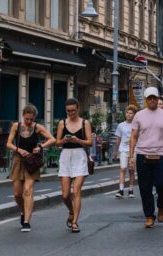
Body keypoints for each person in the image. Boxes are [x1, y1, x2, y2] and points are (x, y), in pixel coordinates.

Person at [129, 87, 163, 229]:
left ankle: (161, 206)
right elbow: (133, 136)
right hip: (142, 154)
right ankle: (149, 216)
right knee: (145, 187)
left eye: (154, 98)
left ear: (158, 99)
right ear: (146, 100)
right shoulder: (138, 115)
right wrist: (131, 156)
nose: (152, 100)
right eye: (149, 98)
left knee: (161, 184)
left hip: (160, 154)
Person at [7, 104, 56, 232]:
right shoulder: (16, 126)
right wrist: (18, 149)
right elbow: (8, 143)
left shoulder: (38, 127)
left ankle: (27, 221)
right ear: (23, 115)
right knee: (17, 194)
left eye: (31, 119)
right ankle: (24, 211)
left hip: (32, 161)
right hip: (18, 159)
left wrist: (40, 147)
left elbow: (52, 139)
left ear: (34, 118)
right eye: (27, 118)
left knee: (28, 190)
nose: (29, 121)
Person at [56, 98, 93, 233]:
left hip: (79, 156)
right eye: (68, 111)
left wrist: (78, 140)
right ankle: (71, 211)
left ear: (78, 109)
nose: (71, 113)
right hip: (65, 157)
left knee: (76, 190)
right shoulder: (62, 123)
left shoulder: (85, 123)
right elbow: (57, 142)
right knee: (65, 195)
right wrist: (63, 140)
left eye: (73, 110)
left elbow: (90, 142)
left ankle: (75, 222)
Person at [114, 106, 138, 198]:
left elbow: (138, 138)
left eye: (131, 113)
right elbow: (118, 139)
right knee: (123, 168)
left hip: (134, 150)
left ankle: (131, 190)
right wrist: (115, 151)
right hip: (123, 149)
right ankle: (121, 190)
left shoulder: (136, 125)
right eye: (127, 113)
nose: (128, 115)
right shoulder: (121, 125)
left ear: (134, 115)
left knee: (131, 170)